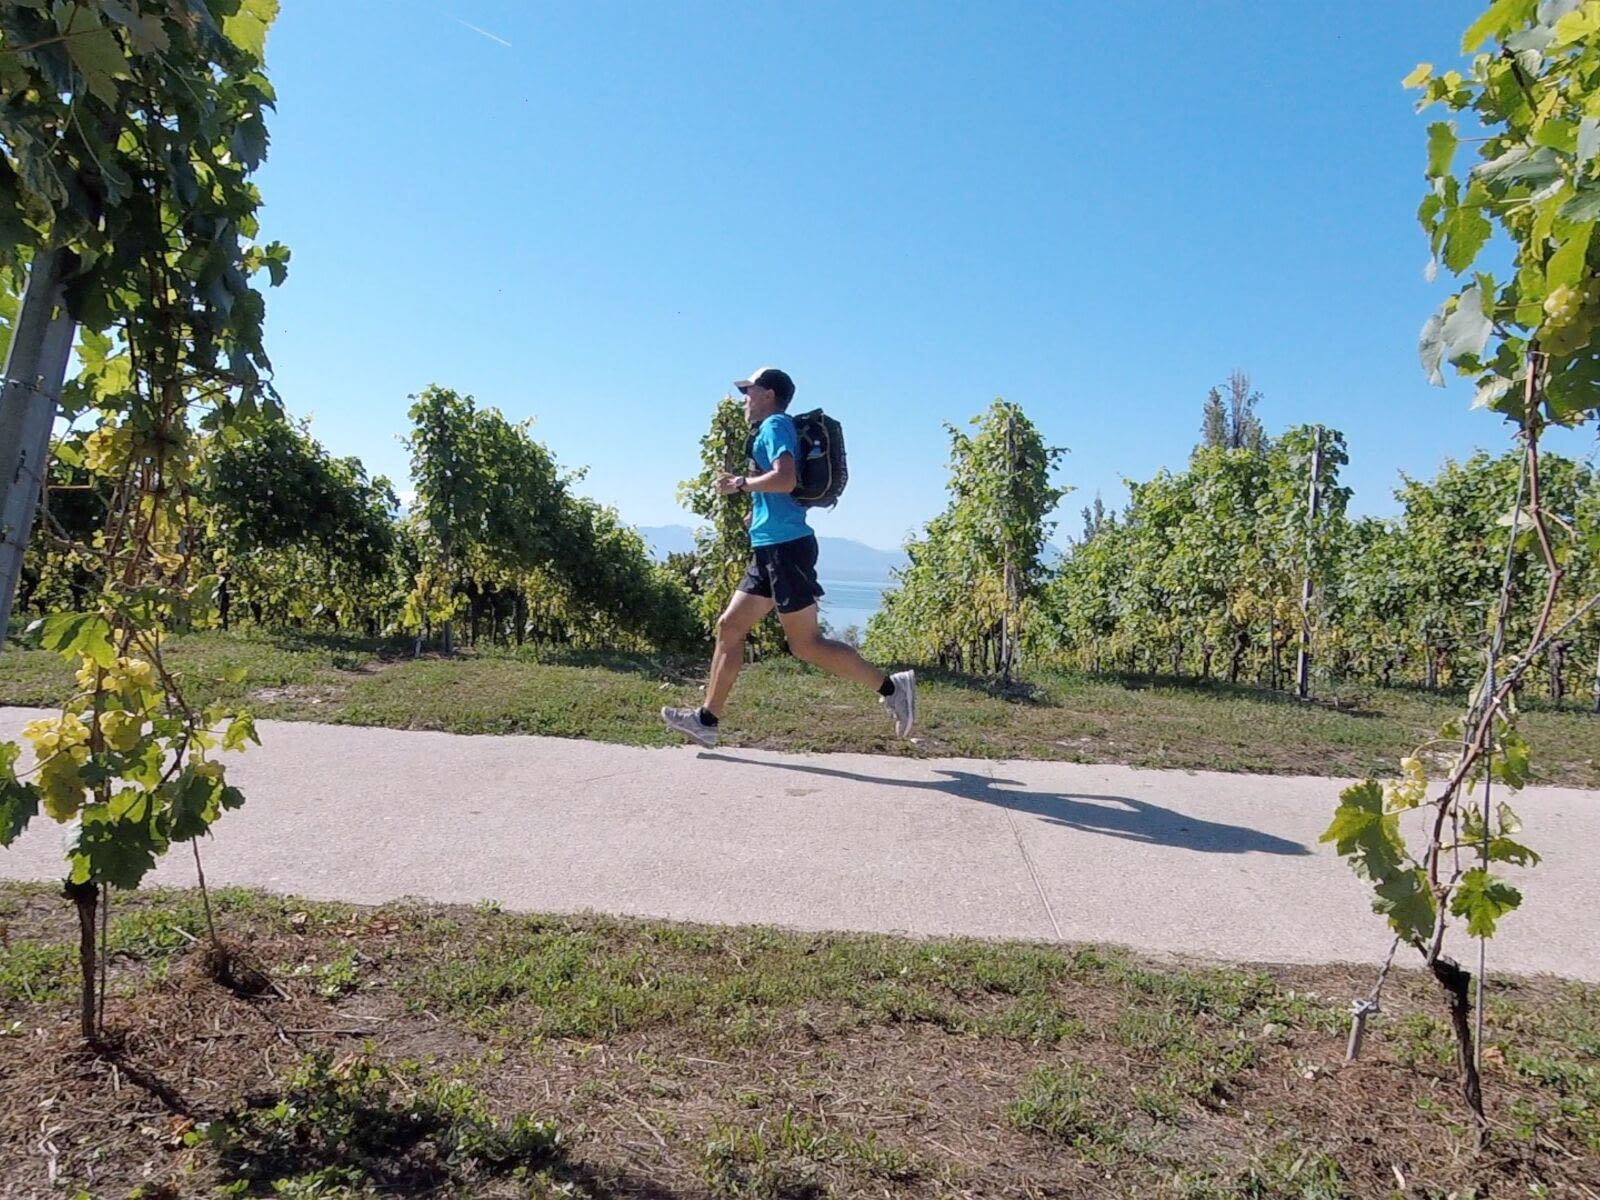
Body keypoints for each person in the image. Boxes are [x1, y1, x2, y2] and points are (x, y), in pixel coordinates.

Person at [662, 366, 915, 748]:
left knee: (806, 645)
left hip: (787, 549)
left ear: (768, 394)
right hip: (769, 548)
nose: (744, 398)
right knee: (729, 627)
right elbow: (777, 489)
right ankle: (706, 721)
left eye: (749, 390)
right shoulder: (768, 430)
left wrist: (741, 484)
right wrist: (754, 510)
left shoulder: (776, 425)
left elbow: (786, 479)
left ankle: (892, 688)